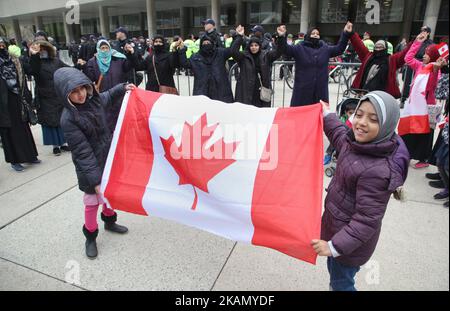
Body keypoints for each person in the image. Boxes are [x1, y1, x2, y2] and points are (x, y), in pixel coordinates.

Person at [313, 91, 409, 291]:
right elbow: (338, 134)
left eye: (373, 119)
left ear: (387, 126)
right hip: (338, 232)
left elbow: (366, 221)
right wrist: (328, 115)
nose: (362, 122)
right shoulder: (356, 143)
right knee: (337, 276)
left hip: (349, 247)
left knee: (342, 284)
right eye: (358, 114)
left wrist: (334, 247)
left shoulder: (378, 172)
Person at [54, 67, 133, 259]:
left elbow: (106, 96)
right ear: (65, 95)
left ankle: (110, 221)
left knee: (108, 194)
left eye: (82, 88)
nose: (80, 94)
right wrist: (95, 181)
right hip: (88, 168)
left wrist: (123, 87)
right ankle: (90, 236)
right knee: (92, 201)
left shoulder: (94, 100)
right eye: (73, 92)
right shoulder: (69, 119)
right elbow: (83, 153)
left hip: (106, 157)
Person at [399, 32, 446, 169]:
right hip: (414, 106)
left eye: (427, 53)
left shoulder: (437, 71)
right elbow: (408, 59)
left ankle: (423, 158)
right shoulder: (420, 65)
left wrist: (436, 69)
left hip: (427, 108)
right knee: (410, 131)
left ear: (434, 56)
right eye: (424, 52)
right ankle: (406, 153)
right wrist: (417, 43)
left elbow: (431, 87)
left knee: (424, 134)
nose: (424, 55)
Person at [277, 22, 353, 107]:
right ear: (308, 35)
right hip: (302, 92)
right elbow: (285, 49)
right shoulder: (299, 48)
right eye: (313, 33)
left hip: (320, 92)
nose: (316, 35)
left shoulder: (325, 48)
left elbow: (339, 49)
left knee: (318, 116)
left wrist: (346, 33)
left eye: (317, 33)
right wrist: (281, 37)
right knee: (301, 116)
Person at [0, 37, 40, 172]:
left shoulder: (16, 60)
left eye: (2, 44)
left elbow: (33, 71)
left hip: (19, 99)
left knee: (24, 129)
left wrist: (34, 56)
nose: (1, 47)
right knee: (9, 132)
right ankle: (14, 160)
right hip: (3, 105)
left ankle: (30, 156)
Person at [29, 37, 70, 156]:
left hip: (57, 94)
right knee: (50, 121)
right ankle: (55, 145)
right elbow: (33, 70)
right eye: (40, 50)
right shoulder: (36, 62)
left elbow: (67, 69)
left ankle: (64, 143)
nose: (42, 51)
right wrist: (34, 56)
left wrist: (79, 66)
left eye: (44, 49)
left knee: (61, 120)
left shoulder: (56, 61)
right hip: (44, 96)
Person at [85, 39, 136, 133]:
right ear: (98, 49)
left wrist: (130, 55)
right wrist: (84, 66)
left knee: (121, 119)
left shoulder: (118, 58)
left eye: (106, 48)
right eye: (102, 48)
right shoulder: (93, 61)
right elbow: (89, 78)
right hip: (104, 96)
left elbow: (129, 66)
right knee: (107, 121)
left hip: (119, 95)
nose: (104, 50)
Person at [230, 25, 282, 108]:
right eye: (251, 45)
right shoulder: (244, 56)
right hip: (246, 89)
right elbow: (233, 52)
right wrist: (239, 36)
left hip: (261, 89)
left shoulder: (266, 55)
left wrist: (281, 37)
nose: (253, 47)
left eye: (256, 45)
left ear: (259, 46)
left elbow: (278, 52)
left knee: (261, 114)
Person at [348, 31, 412, 97]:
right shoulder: (368, 56)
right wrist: (351, 33)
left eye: (381, 47)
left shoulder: (392, 59)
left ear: (385, 48)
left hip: (382, 97)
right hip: (364, 94)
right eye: (376, 47)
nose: (378, 49)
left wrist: (416, 42)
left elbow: (405, 53)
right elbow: (359, 45)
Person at [179, 33, 234, 102]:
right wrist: (182, 50)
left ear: (212, 43)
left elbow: (232, 50)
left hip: (220, 90)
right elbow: (185, 63)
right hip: (202, 91)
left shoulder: (220, 53)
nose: (206, 44)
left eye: (208, 42)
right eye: (204, 43)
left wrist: (238, 37)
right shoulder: (196, 57)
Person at [401, 26, 434, 106]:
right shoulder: (416, 40)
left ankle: (418, 101)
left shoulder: (431, 43)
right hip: (413, 62)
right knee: (407, 81)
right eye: (421, 30)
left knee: (420, 83)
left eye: (425, 31)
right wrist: (417, 41)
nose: (422, 32)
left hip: (423, 65)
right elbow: (408, 53)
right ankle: (403, 99)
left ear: (428, 33)